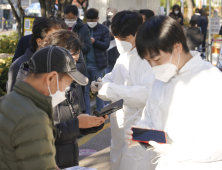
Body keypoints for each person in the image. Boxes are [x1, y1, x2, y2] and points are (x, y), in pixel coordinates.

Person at [125, 15, 222, 170]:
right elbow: (150, 115)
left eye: (156, 59)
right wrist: (142, 132)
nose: (153, 66)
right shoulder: (163, 76)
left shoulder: (212, 80)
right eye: (148, 61)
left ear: (177, 47)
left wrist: (174, 150)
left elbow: (218, 144)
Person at [20, 30, 108, 168]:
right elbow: (35, 135)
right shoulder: (33, 86)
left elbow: (74, 121)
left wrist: (90, 124)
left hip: (68, 157)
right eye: (71, 59)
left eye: (77, 60)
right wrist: (77, 124)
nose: (73, 65)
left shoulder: (69, 77)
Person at [0, 45, 88, 170]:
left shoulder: (9, 100)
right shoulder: (34, 117)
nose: (66, 90)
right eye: (67, 84)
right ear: (51, 78)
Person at [91, 11, 155, 170]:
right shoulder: (124, 55)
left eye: (123, 38)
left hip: (142, 129)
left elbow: (146, 94)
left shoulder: (151, 57)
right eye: (116, 38)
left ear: (138, 33)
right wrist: (101, 83)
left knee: (139, 163)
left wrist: (110, 90)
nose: (119, 42)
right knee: (119, 162)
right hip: (120, 129)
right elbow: (114, 76)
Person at [7, 17, 68, 93]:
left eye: (62, 40)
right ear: (39, 41)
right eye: (54, 40)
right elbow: (13, 100)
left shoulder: (64, 62)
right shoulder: (19, 65)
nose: (60, 45)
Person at [85, 8, 110, 114]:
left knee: (98, 90)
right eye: (89, 20)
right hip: (84, 65)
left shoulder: (103, 29)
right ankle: (86, 113)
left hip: (97, 65)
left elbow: (106, 45)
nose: (91, 23)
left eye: (93, 20)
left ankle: (100, 112)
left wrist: (95, 42)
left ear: (98, 18)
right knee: (85, 91)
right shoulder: (82, 28)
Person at [102, 8, 119, 75]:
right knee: (108, 75)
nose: (110, 18)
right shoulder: (105, 23)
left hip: (118, 52)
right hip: (108, 54)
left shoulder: (120, 24)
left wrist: (114, 35)